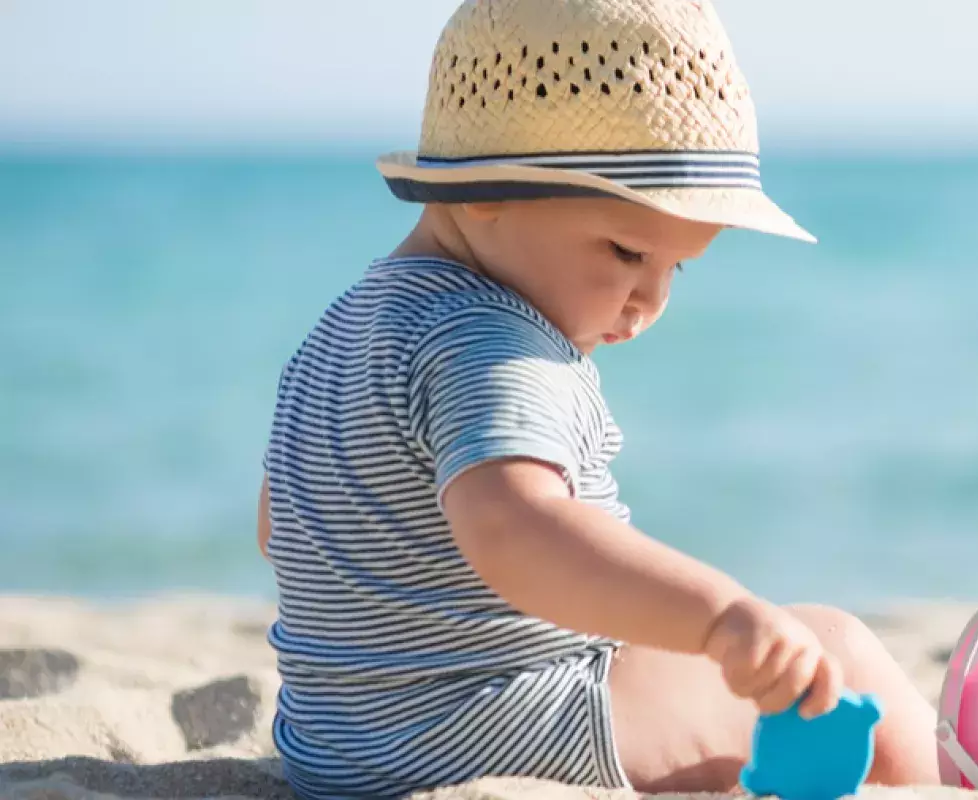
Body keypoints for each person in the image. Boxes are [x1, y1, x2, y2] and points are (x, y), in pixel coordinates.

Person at [255, 1, 939, 796]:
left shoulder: (343, 327)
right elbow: (517, 529)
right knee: (838, 650)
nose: (649, 304)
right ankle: (950, 778)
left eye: (677, 268)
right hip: (492, 729)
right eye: (626, 252)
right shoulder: (491, 343)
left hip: (334, 748)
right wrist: (719, 617)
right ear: (486, 193)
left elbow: (284, 524)